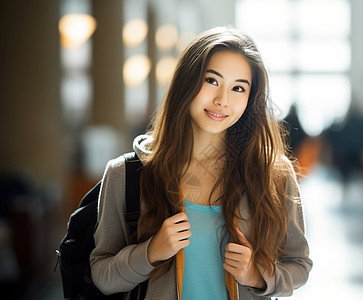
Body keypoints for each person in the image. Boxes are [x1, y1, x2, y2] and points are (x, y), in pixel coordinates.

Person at [90, 26, 312, 299]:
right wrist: (149, 253)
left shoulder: (272, 174)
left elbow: (299, 265)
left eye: (238, 88)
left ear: (250, 98)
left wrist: (256, 275)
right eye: (211, 81)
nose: (222, 100)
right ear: (187, 82)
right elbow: (102, 276)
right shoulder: (127, 174)